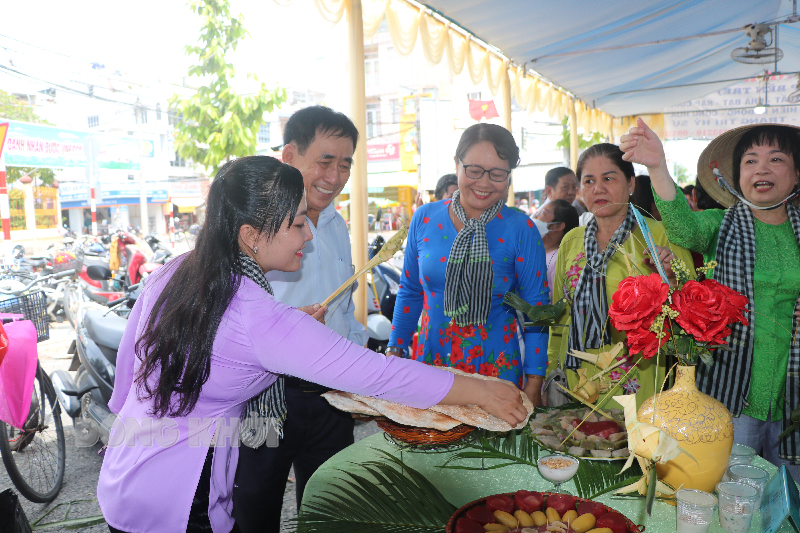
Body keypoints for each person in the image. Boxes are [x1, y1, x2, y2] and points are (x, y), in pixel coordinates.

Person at [96, 156, 527, 533]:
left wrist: (285, 336)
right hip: (179, 499)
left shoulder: (179, 271)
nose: (308, 235)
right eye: (298, 222)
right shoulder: (257, 314)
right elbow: (379, 374)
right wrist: (483, 390)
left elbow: (130, 370)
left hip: (126, 469)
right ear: (251, 235)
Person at [620, 119, 800, 476]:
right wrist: (657, 166)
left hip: (792, 393)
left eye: (776, 159)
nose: (762, 168)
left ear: (796, 175)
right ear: (736, 177)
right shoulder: (720, 223)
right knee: (724, 486)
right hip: (732, 390)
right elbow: (682, 227)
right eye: (750, 160)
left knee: (789, 497)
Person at [231, 107, 366, 532]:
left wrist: (361, 363)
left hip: (330, 396)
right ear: (290, 155)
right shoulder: (252, 227)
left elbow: (343, 308)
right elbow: (231, 315)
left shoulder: (336, 226)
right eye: (325, 160)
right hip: (264, 397)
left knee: (330, 506)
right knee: (254, 504)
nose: (336, 174)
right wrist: (289, 325)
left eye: (345, 163)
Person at [386, 123, 549, 405]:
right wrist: (394, 350)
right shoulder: (425, 218)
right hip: (431, 365)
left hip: (495, 373)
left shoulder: (520, 228)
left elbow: (537, 310)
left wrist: (534, 381)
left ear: (509, 177)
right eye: (474, 171)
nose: (484, 183)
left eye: (498, 174)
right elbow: (410, 291)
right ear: (456, 165)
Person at [547, 143, 694, 407]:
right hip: (578, 378)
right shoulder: (572, 240)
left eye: (608, 178)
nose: (598, 188)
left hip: (640, 379)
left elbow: (693, 307)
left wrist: (672, 279)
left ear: (630, 184)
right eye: (588, 180)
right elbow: (558, 316)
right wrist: (550, 372)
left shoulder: (659, 235)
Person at [532, 199, 579, 295]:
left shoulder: (557, 260)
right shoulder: (535, 252)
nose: (535, 216)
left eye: (543, 213)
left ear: (558, 226)